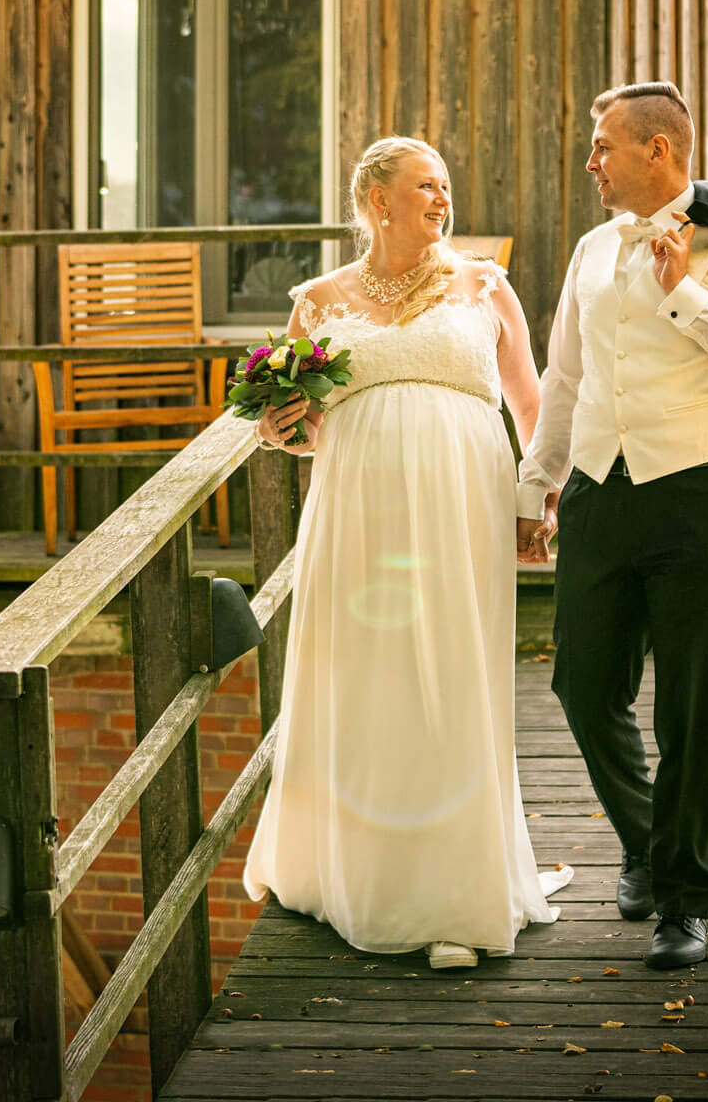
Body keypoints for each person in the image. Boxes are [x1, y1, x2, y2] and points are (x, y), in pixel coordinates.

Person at [244, 135, 569, 969]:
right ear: (376, 200)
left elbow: (531, 409)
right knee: (366, 676)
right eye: (426, 185)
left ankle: (454, 899)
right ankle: (358, 875)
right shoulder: (318, 302)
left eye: (446, 186)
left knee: (452, 678)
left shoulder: (484, 286)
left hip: (465, 512)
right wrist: (282, 431)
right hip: (357, 514)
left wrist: (541, 500)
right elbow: (306, 428)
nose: (442, 198)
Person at [515, 81, 708, 973]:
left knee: (693, 708)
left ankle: (684, 900)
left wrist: (688, 296)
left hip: (700, 498)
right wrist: (537, 490)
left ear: (659, 151)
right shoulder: (593, 249)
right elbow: (563, 379)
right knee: (582, 684)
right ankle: (646, 841)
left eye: (604, 145)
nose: (592, 163)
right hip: (602, 493)